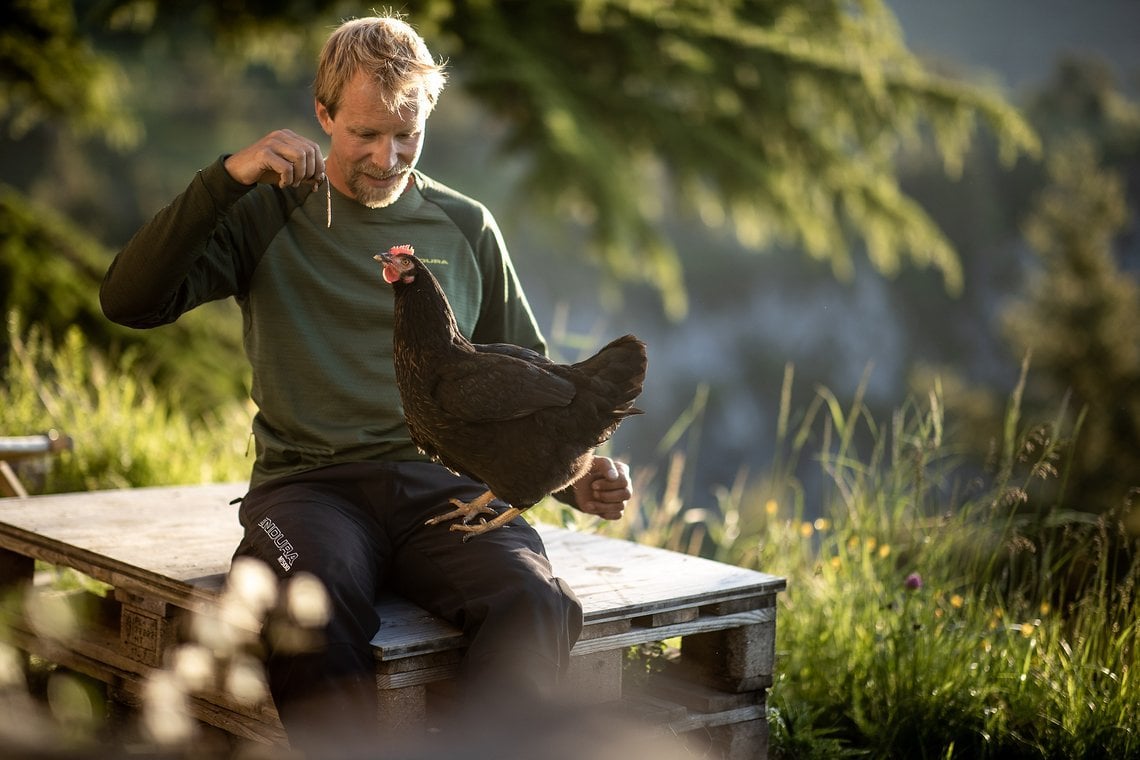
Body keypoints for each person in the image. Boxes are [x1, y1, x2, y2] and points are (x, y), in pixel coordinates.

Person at [99, 13, 633, 756]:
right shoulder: (265, 212)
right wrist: (224, 179)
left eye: (407, 135)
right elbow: (130, 301)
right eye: (366, 134)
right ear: (324, 116)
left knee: (535, 602)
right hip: (309, 488)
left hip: (447, 489)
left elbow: (533, 388)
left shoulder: (466, 225)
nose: (388, 158)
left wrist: (575, 476)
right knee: (309, 602)